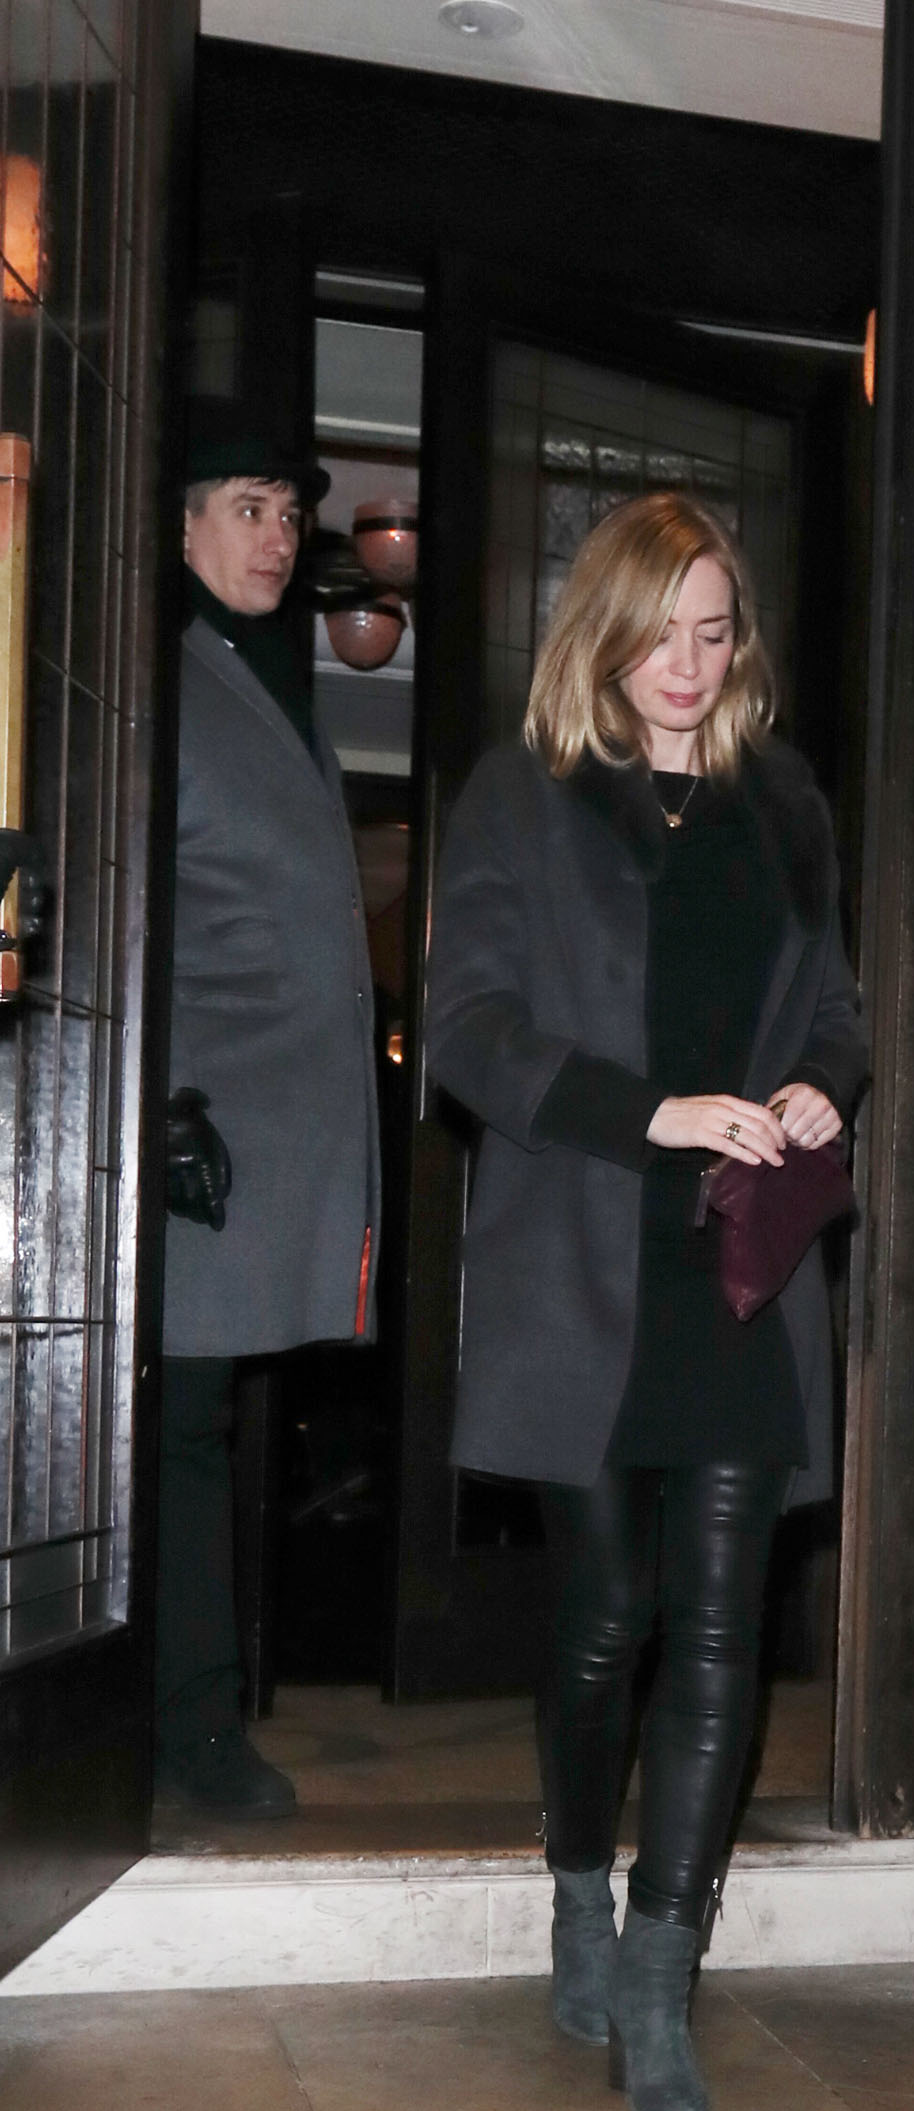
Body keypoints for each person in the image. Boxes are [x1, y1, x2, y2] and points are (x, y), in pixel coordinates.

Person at [427, 493, 866, 2111]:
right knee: (606, 1619)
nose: (687, 667)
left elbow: (836, 1006)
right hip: (585, 1273)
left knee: (720, 1628)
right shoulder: (520, 801)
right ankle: (572, 1887)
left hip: (746, 1270)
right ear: (597, 633)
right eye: (657, 632)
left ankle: (665, 1974)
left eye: (714, 631)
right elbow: (466, 1029)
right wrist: (656, 1112)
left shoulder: (785, 804)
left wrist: (821, 1088)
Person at [159, 412, 380, 1816]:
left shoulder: (255, 673)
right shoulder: (154, 671)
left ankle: (188, 1724)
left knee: (213, 1430)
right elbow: (120, 908)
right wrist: (160, 1096)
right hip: (190, 1136)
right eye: (250, 508)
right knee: (177, 1435)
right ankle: (185, 1736)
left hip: (258, 1145)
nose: (280, 537)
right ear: (180, 525)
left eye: (292, 516)